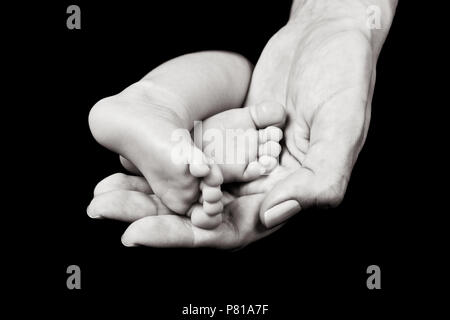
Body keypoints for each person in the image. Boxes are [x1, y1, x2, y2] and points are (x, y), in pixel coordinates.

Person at [87, 0, 398, 249]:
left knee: (236, 74)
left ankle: (160, 109)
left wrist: (334, 13)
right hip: (260, 67)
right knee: (243, 74)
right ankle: (159, 112)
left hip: (244, 78)